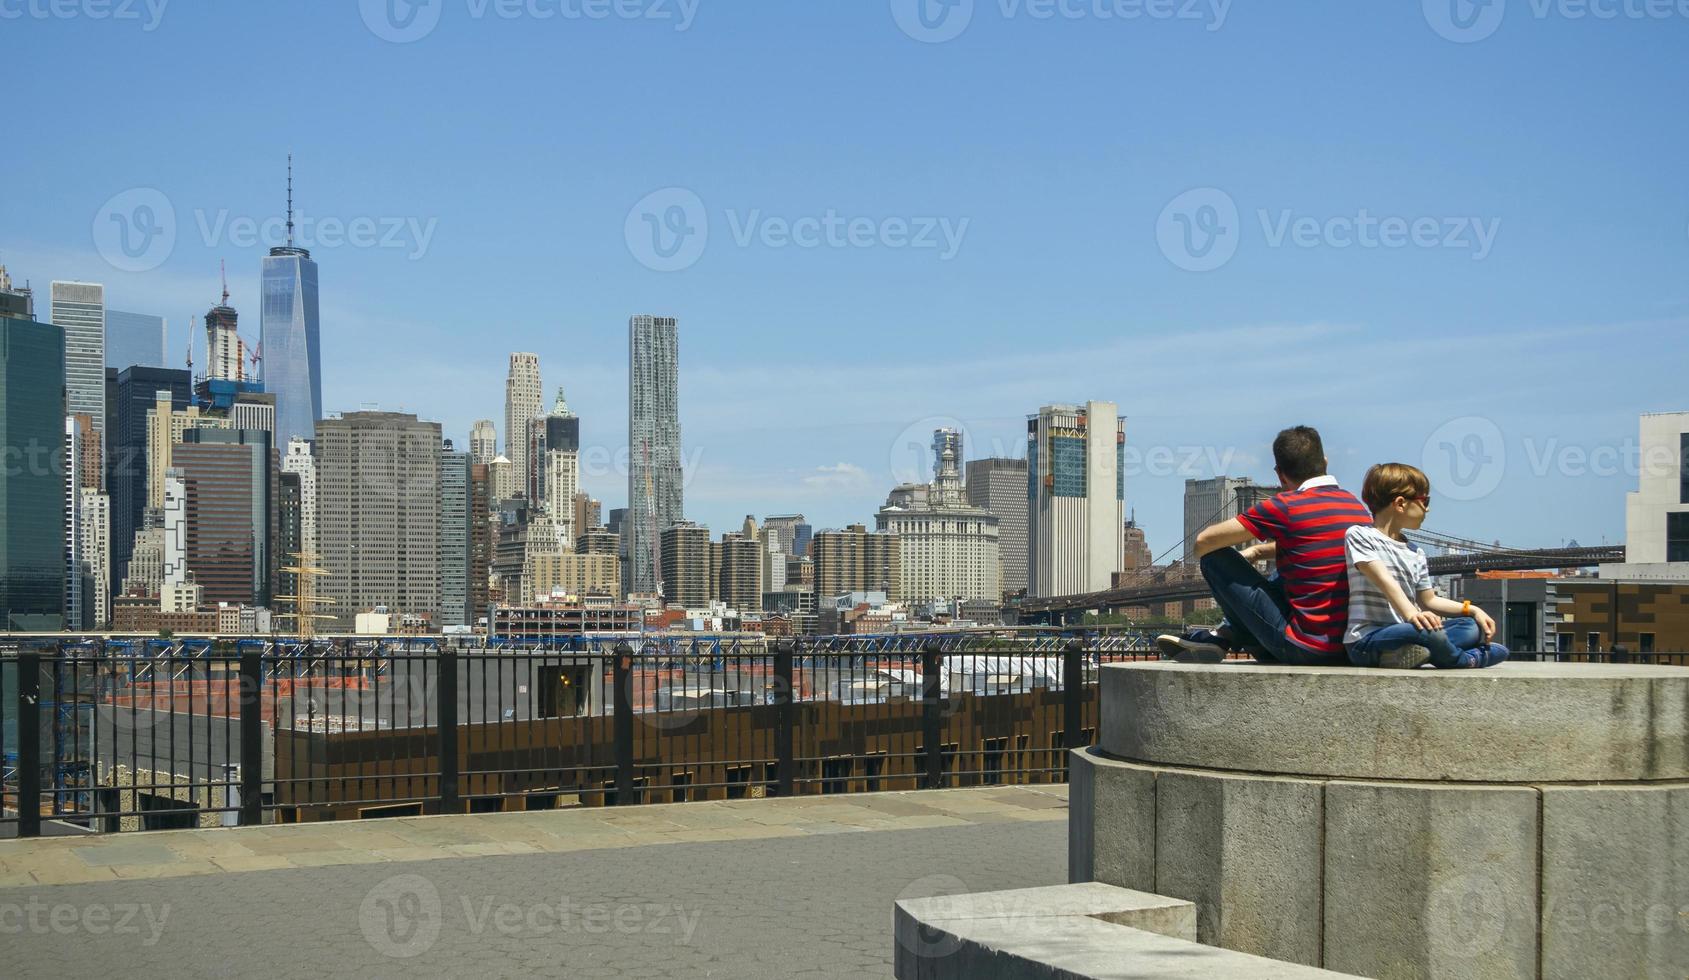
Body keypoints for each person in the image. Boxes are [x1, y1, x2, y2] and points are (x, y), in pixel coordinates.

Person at [1157, 426, 1373, 665]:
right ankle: (1223, 635)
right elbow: (1315, 545)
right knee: (1288, 562)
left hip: (1301, 648)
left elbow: (1203, 543)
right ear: (1325, 462)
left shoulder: (1285, 506)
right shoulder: (1355, 506)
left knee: (1214, 558)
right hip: (1347, 648)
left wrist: (1243, 555)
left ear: (1280, 474)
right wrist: (1259, 550)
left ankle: (1223, 636)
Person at [1343, 463, 1508, 669]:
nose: (1427, 508)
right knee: (1429, 632)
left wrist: (1472, 610)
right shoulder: (1359, 535)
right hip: (1367, 641)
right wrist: (1413, 615)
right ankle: (1467, 659)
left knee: (1471, 627)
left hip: (1408, 632)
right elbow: (1384, 580)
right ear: (1401, 503)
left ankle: (1410, 654)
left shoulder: (1416, 552)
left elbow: (1429, 600)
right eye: (1424, 500)